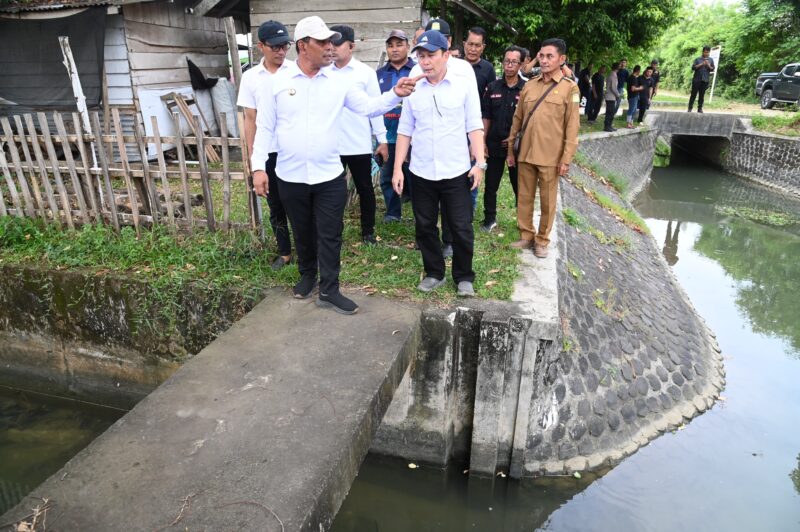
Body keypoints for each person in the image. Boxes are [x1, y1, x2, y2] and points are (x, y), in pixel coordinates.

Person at [251, 16, 421, 315]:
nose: (330, 48)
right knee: (302, 231)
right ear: (303, 47)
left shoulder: (339, 83)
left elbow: (369, 107)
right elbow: (264, 129)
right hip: (290, 175)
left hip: (329, 175)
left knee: (330, 233)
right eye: (323, 42)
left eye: (332, 42)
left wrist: (395, 94)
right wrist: (258, 167)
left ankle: (330, 289)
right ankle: (307, 275)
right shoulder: (278, 84)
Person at [392, 30, 485, 297]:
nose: (425, 61)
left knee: (461, 227)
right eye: (421, 56)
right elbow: (405, 130)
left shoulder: (463, 84)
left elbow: (474, 125)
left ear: (446, 55)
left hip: (456, 171)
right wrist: (398, 167)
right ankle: (434, 273)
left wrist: (479, 162)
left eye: (431, 55)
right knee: (425, 226)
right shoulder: (413, 88)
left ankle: (464, 276)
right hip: (421, 171)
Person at [506, 38, 580, 259]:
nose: (545, 60)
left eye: (550, 56)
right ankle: (526, 235)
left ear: (561, 59)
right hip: (526, 153)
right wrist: (511, 149)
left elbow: (572, 127)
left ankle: (542, 240)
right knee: (524, 197)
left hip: (551, 156)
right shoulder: (530, 85)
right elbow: (517, 119)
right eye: (542, 56)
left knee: (548, 202)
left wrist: (566, 158)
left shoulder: (569, 89)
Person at [236, 20, 294, 270]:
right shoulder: (250, 78)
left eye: (285, 46)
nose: (281, 52)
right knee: (275, 204)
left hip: (294, 150)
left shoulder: (295, 71)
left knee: (300, 203)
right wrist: (253, 159)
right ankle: (284, 252)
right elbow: (250, 119)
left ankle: (307, 249)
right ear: (261, 46)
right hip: (267, 151)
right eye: (275, 47)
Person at [329, 24, 388, 245]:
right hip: (331, 144)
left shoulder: (365, 73)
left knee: (364, 188)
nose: (332, 48)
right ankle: (333, 231)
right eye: (329, 44)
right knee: (332, 191)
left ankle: (368, 231)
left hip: (358, 143)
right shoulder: (324, 72)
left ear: (351, 45)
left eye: (337, 43)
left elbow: (375, 108)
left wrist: (382, 140)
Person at [480, 45, 526, 232]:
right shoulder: (492, 87)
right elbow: (486, 117)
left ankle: (523, 221)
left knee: (520, 186)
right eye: (506, 61)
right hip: (493, 145)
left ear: (521, 64)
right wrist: (482, 142)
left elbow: (529, 119)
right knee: (491, 185)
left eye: (514, 62)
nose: (509, 65)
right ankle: (489, 219)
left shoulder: (527, 89)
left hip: (516, 147)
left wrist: (516, 137)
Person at [376, 29, 415, 222]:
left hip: (413, 136)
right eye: (390, 45)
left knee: (415, 177)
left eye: (399, 44)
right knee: (387, 176)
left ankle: (421, 213)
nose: (395, 49)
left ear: (408, 46)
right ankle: (393, 212)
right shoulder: (379, 75)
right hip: (388, 135)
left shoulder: (417, 72)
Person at [463, 26, 496, 98]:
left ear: (483, 47)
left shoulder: (488, 68)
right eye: (470, 44)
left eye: (477, 45)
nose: (473, 49)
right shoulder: (454, 65)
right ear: (464, 44)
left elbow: (492, 95)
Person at [688, 46, 715, 113]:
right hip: (697, 80)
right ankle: (690, 108)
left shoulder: (711, 60)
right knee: (693, 94)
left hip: (705, 80)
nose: (707, 54)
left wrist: (708, 65)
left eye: (708, 52)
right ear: (703, 52)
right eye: (705, 52)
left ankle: (699, 108)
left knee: (702, 95)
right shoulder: (698, 59)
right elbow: (693, 68)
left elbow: (712, 69)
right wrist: (702, 64)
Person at [603, 63, 619, 132]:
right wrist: (618, 95)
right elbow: (613, 87)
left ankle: (609, 125)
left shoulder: (611, 74)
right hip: (610, 96)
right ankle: (607, 126)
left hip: (610, 96)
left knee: (610, 112)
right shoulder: (613, 75)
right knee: (610, 112)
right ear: (617, 68)